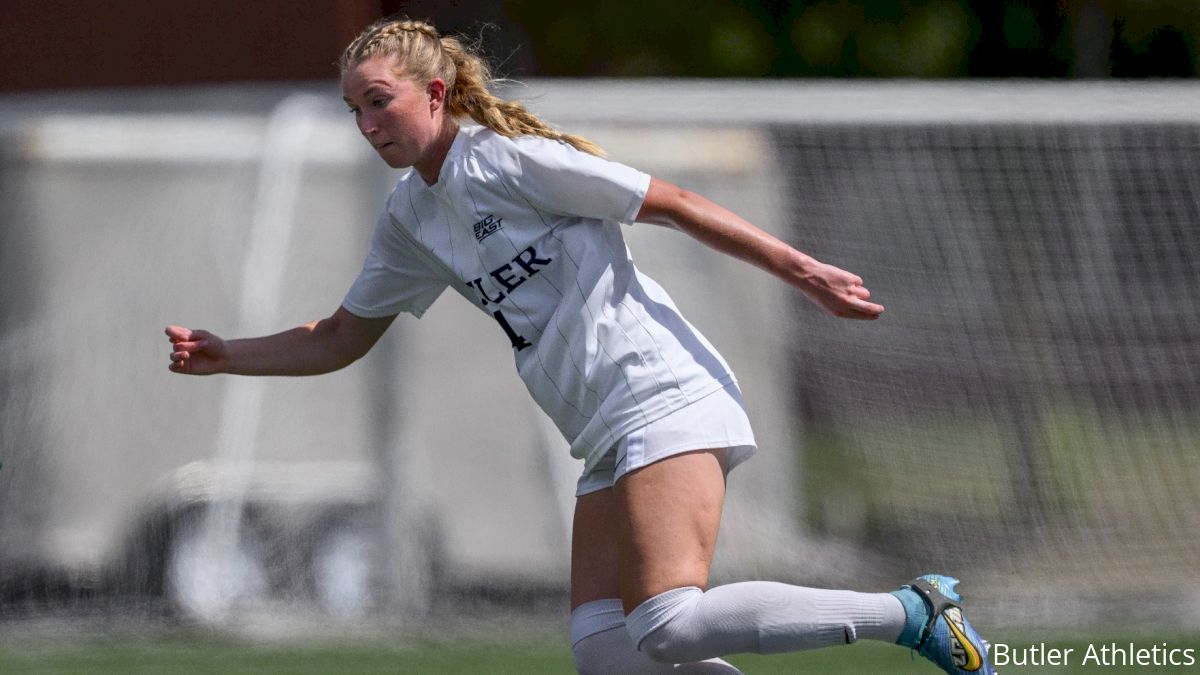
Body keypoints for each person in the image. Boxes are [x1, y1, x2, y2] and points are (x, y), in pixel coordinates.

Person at [165, 17, 994, 675]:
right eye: (354, 109)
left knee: (668, 622)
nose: (365, 122)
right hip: (602, 430)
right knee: (606, 651)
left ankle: (914, 611)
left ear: (436, 91)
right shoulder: (410, 219)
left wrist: (799, 268)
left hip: (659, 390)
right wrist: (226, 352)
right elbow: (342, 336)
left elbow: (666, 198)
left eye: (378, 99)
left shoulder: (512, 162)